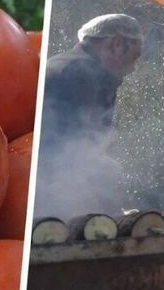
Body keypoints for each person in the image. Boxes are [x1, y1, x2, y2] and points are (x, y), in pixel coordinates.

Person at [35, 13, 143, 218]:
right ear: (117, 44)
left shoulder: (62, 65)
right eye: (134, 58)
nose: (132, 69)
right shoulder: (85, 76)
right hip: (52, 197)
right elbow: (75, 155)